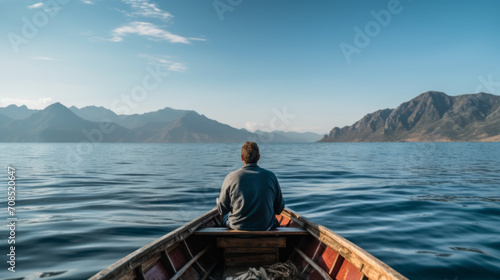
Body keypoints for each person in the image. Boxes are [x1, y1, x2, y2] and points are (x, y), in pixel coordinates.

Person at [217, 142, 285, 231]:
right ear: (259, 157)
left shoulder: (230, 177)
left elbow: (222, 209)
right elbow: (279, 209)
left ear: (241, 158)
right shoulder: (271, 176)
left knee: (224, 216)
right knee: (275, 220)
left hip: (237, 227)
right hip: (264, 228)